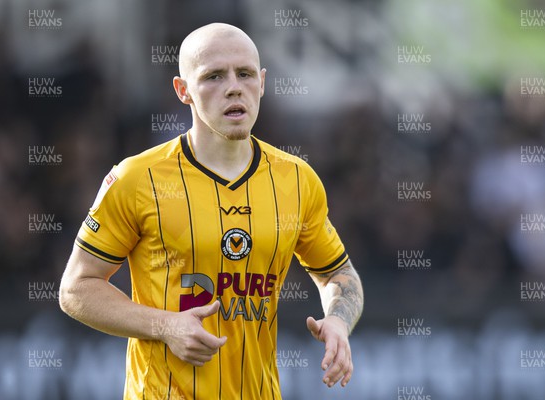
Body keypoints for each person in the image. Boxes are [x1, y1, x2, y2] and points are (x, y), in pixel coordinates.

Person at [59, 22, 363, 399]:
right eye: (214, 76)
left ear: (263, 83)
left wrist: (337, 320)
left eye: (245, 74)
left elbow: (338, 274)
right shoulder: (137, 179)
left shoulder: (298, 181)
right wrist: (166, 326)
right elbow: (76, 288)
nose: (234, 86)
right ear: (183, 90)